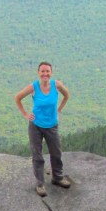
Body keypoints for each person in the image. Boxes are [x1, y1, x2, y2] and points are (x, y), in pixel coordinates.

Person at [14, 61, 71, 196]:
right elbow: (17, 98)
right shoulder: (33, 87)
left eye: (47, 71)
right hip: (36, 126)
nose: (45, 73)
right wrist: (26, 114)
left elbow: (67, 95)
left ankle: (57, 177)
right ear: (38, 73)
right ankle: (40, 184)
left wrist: (59, 110)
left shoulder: (56, 85)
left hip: (52, 125)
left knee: (56, 152)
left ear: (51, 72)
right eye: (42, 71)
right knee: (37, 155)